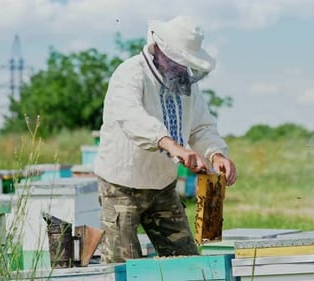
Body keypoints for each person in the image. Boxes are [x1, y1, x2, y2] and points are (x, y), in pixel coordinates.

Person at [94, 15, 237, 263]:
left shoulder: (186, 86)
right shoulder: (129, 73)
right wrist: (172, 146)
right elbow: (131, 117)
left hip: (163, 188)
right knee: (124, 268)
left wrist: (216, 153)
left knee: (187, 262)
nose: (183, 69)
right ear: (160, 48)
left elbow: (201, 125)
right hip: (121, 188)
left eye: (187, 63)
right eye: (179, 61)